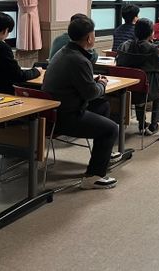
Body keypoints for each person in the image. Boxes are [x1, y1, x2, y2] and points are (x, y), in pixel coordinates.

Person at [42, 16, 119, 189]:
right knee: (111, 129)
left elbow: (78, 84)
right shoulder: (79, 60)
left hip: (53, 112)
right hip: (66, 116)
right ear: (89, 38)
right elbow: (91, 93)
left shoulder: (63, 51)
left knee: (103, 106)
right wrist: (101, 84)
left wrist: (92, 82)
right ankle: (93, 176)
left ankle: (102, 154)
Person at [116, 18, 159, 135]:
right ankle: (154, 124)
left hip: (128, 89)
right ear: (151, 33)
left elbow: (119, 61)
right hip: (147, 91)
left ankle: (142, 123)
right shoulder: (152, 49)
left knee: (140, 85)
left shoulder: (125, 45)